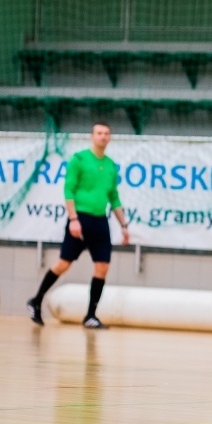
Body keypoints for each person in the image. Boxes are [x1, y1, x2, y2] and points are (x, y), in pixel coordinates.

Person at [26, 122, 130, 328]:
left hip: (100, 221)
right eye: (99, 133)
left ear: (110, 138)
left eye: (106, 133)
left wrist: (124, 225)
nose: (103, 136)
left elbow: (114, 198)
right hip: (80, 219)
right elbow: (69, 190)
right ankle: (36, 300)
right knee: (64, 263)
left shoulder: (110, 165)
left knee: (102, 267)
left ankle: (90, 315)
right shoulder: (79, 159)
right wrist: (73, 219)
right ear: (91, 136)